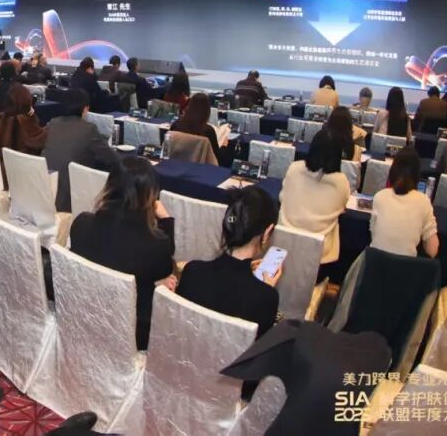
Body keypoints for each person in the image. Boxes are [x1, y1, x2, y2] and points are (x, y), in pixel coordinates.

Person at [70, 156, 175, 350]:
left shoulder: (81, 224)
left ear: (109, 186)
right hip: (131, 333)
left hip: (82, 315)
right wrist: (167, 221)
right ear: (150, 196)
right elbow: (166, 268)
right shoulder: (155, 246)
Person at [177, 185, 281, 338]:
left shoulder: (192, 272)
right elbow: (259, 347)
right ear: (267, 232)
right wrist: (264, 289)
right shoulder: (265, 298)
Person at [42, 88, 119, 212]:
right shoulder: (89, 129)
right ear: (85, 109)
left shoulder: (53, 123)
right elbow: (111, 158)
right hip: (70, 198)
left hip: (45, 191)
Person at [278, 130, 349, 264]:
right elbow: (342, 208)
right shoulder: (341, 181)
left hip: (285, 238)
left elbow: (282, 197)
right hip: (319, 247)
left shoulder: (294, 168)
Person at [371, 147, 438, 258]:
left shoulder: (380, 196)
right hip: (406, 267)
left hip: (376, 264)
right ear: (417, 175)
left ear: (392, 172)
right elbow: (432, 250)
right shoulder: (423, 201)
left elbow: (374, 235)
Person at [0, 83, 48, 186]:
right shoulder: (24, 121)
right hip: (22, 175)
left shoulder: (2, 118)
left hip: (0, 171)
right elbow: (40, 140)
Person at [170, 93, 224, 164]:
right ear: (207, 111)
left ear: (189, 107)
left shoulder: (176, 125)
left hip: (174, 164)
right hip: (200, 168)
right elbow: (215, 157)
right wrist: (224, 146)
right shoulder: (208, 131)